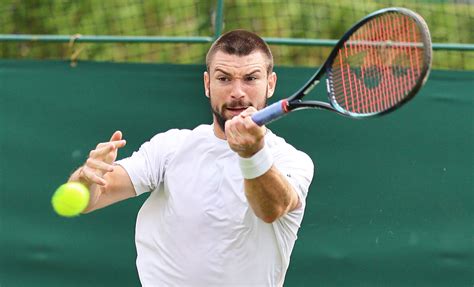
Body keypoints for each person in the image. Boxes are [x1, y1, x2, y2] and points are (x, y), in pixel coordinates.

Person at [68, 29, 314, 286]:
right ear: (207, 84)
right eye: (224, 78)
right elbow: (90, 199)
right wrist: (86, 178)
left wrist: (252, 152)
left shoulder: (292, 161)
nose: (237, 92)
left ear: (270, 83)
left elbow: (271, 209)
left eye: (251, 78)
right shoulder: (170, 147)